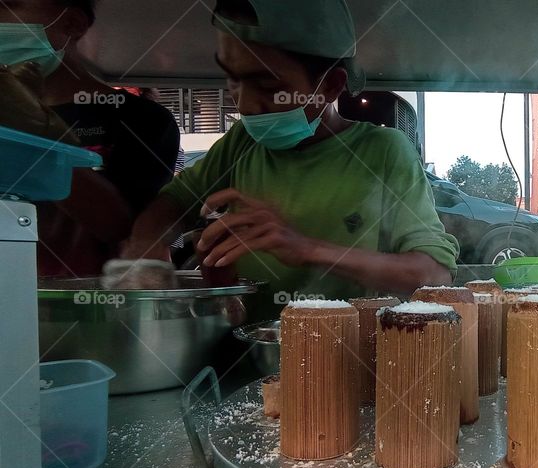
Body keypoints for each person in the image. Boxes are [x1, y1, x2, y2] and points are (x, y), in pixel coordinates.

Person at [124, 0, 458, 319]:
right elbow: (173, 203)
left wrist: (306, 248)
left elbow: (432, 273)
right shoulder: (242, 142)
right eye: (233, 79)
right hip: (246, 356)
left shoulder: (383, 151)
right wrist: (147, 249)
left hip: (341, 359)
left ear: (330, 85)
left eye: (268, 86)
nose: (246, 104)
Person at [0, 0, 181, 276]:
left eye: (7, 6)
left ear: (73, 23)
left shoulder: (138, 119)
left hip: (90, 307)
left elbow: (129, 232)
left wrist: (37, 138)